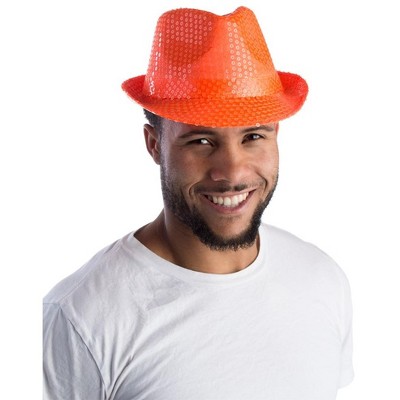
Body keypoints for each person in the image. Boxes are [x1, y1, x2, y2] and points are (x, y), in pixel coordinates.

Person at [43, 6, 353, 400]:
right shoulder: (83, 318)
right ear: (154, 145)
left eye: (253, 137)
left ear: (276, 135)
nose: (232, 171)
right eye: (202, 141)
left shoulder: (321, 279)